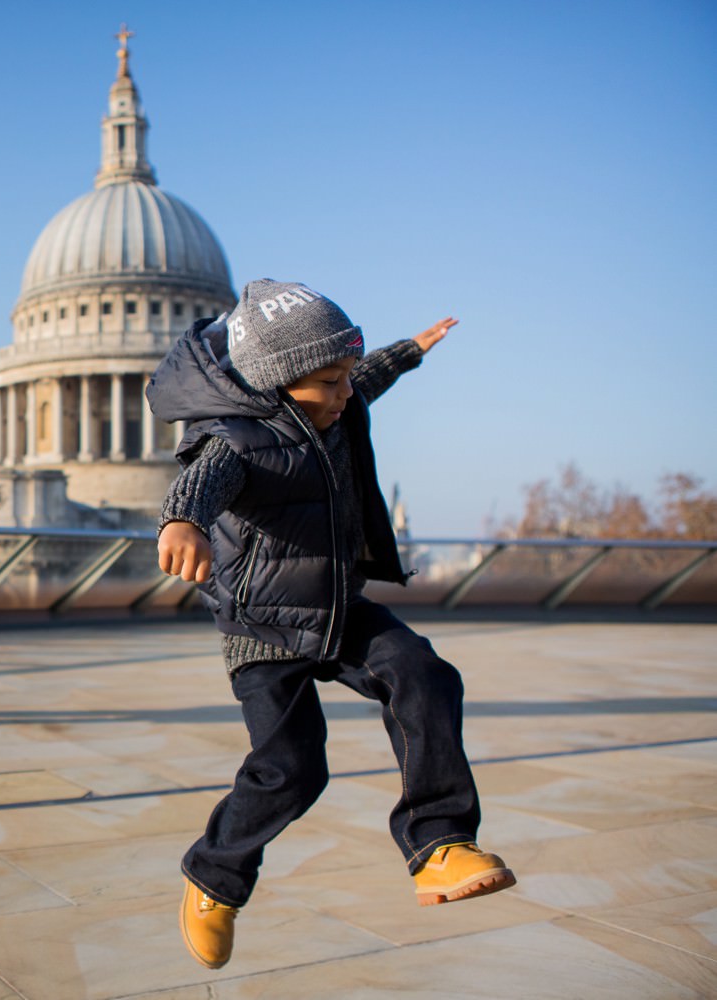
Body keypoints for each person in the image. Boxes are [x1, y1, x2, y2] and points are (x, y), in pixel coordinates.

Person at [147, 279, 515, 971]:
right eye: (331, 380)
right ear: (280, 382)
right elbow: (195, 485)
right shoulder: (235, 441)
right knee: (291, 770)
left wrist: (409, 350)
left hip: (339, 604)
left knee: (425, 675)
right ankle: (213, 877)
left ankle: (439, 845)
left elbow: (362, 375)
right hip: (264, 625)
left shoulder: (331, 408)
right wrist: (182, 523)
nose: (347, 392)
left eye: (347, 376)